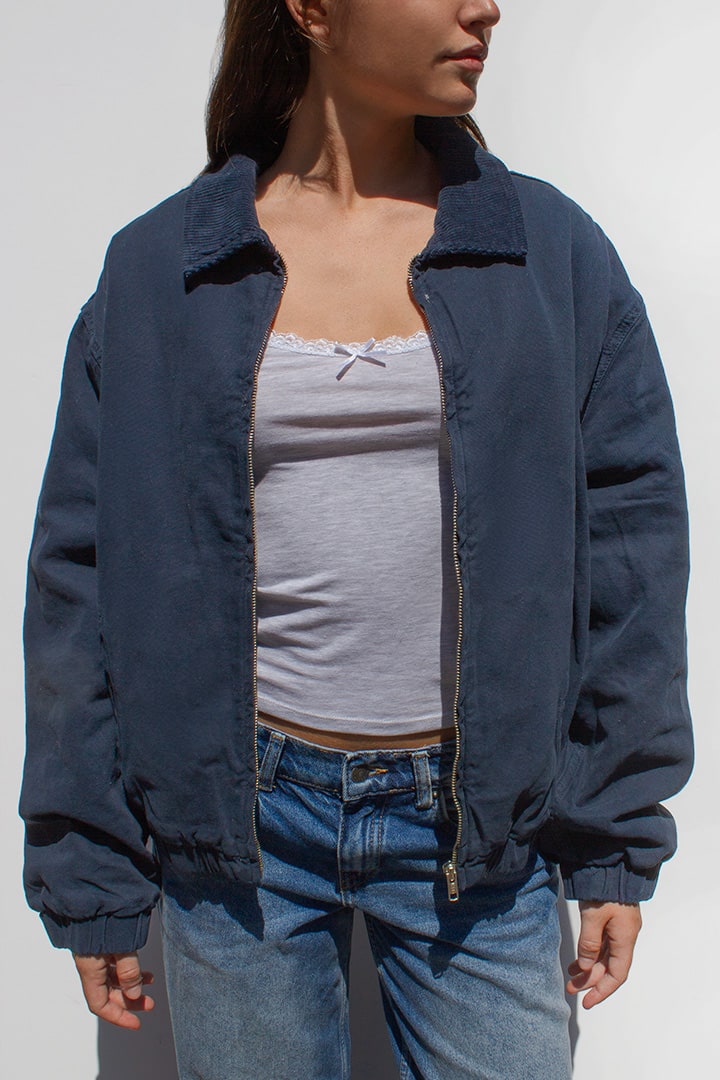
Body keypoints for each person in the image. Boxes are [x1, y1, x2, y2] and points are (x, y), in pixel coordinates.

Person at [20, 1, 693, 1077]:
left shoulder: (548, 253)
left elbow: (633, 543)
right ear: (313, 9)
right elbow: (79, 576)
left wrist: (611, 836)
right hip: (239, 832)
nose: (484, 5)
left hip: (479, 833)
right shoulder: (164, 268)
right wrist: (90, 866)